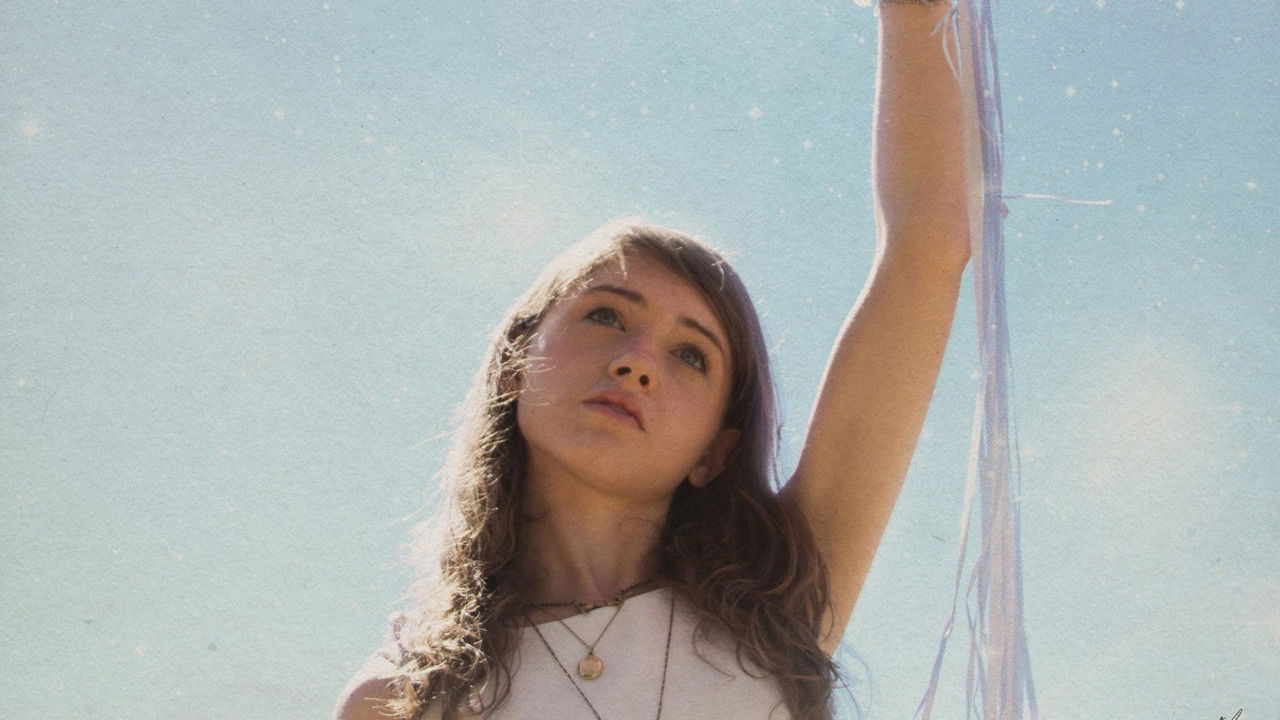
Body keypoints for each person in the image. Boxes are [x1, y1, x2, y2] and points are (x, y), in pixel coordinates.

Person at [335, 1, 971, 718]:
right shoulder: (405, 694)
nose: (637, 362)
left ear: (716, 451)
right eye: (606, 315)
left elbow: (928, 243)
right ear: (515, 363)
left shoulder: (781, 604)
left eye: (692, 356)